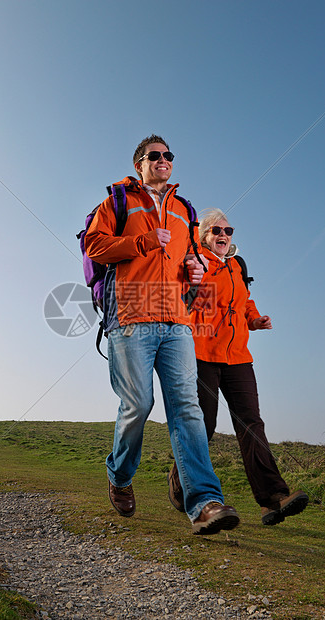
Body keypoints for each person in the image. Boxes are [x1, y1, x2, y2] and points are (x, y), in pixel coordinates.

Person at [85, 135, 240, 535]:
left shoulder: (183, 209)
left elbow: (191, 256)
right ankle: (119, 476)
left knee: (187, 408)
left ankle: (205, 503)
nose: (163, 160)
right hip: (131, 318)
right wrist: (141, 242)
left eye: (168, 155)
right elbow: (94, 245)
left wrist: (195, 268)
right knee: (137, 405)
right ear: (140, 162)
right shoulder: (118, 200)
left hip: (177, 322)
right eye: (155, 155)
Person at [168, 208, 308, 526]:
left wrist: (254, 319)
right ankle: (180, 482)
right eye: (216, 230)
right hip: (201, 353)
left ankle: (272, 500)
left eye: (228, 231)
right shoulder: (193, 263)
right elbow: (178, 298)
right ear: (204, 235)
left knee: (251, 425)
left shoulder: (237, 265)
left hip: (238, 357)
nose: (223, 235)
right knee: (202, 427)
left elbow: (244, 301)